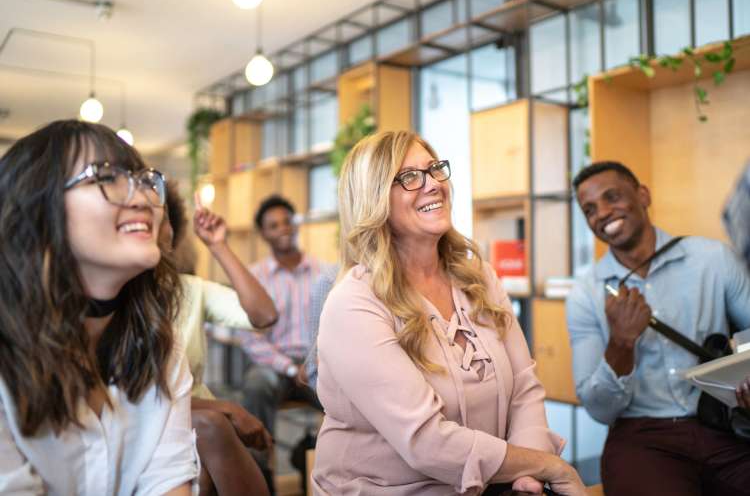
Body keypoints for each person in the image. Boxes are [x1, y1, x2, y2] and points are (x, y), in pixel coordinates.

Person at [312, 131, 584, 496]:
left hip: (495, 486)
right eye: (409, 177)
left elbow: (524, 389)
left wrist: (527, 478)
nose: (433, 185)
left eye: (435, 170)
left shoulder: (479, 278)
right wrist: (548, 465)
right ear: (373, 198)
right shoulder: (354, 303)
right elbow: (426, 441)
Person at [0, 120, 197, 495]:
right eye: (106, 178)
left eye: (144, 180)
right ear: (36, 208)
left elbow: (167, 482)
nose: (142, 199)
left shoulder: (159, 344)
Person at [566, 161, 750, 496]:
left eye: (612, 197)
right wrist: (621, 343)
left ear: (643, 195)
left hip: (723, 427)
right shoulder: (585, 294)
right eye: (589, 209)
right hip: (642, 439)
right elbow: (599, 409)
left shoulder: (713, 259)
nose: (603, 213)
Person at [163, 183, 276, 496]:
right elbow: (146, 395)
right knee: (212, 427)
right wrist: (230, 409)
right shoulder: (114, 298)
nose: (151, 229)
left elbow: (264, 315)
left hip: (201, 420)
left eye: (160, 220)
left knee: (213, 431)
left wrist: (219, 246)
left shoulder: (189, 289)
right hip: (175, 419)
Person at [237, 195, 327, 491]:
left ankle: (333, 477)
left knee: (350, 392)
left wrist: (311, 364)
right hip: (274, 365)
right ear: (264, 234)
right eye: (273, 225)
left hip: (317, 364)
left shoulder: (324, 272)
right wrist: (290, 368)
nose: (283, 229)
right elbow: (249, 337)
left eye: (287, 221)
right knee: (256, 385)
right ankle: (261, 484)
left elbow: (334, 326)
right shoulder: (254, 276)